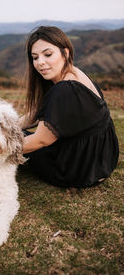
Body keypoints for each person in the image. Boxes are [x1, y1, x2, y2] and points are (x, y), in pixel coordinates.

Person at [19, 26, 119, 188]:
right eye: (35, 57)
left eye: (48, 54)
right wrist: (11, 126)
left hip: (75, 170)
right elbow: (40, 112)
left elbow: (40, 140)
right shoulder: (75, 73)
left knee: (14, 140)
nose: (40, 63)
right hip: (101, 162)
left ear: (65, 53)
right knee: (14, 133)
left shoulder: (64, 89)